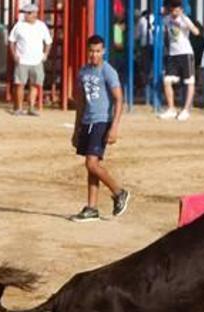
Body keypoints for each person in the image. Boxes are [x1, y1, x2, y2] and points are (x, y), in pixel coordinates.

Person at [70, 35, 130, 223]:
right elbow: (80, 102)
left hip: (102, 121)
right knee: (91, 167)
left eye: (97, 51)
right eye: (91, 51)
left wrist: (114, 127)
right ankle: (92, 207)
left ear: (103, 51)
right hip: (87, 122)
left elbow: (119, 99)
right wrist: (76, 128)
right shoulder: (83, 72)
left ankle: (119, 192)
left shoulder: (108, 71)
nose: (94, 54)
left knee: (92, 163)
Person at [158, 0, 199, 121]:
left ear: (181, 9)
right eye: (172, 8)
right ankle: (171, 108)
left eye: (177, 8)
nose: (174, 11)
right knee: (167, 80)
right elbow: (160, 21)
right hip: (173, 54)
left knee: (189, 81)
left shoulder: (184, 19)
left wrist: (184, 23)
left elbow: (196, 32)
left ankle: (186, 110)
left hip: (185, 53)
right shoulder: (167, 19)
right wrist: (162, 12)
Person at [8, 3, 52, 116]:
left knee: (35, 85)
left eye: (28, 13)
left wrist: (45, 54)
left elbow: (48, 42)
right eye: (25, 13)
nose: (25, 15)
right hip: (22, 60)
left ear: (34, 14)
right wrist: (14, 55)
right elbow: (12, 41)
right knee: (20, 84)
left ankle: (31, 107)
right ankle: (19, 108)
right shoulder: (19, 26)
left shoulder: (41, 26)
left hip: (37, 61)